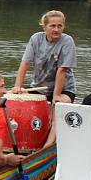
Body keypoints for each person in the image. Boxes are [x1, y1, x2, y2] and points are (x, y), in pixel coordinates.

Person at [13, 10, 77, 145]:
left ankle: (47, 148)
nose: (56, 29)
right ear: (44, 26)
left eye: (60, 26)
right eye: (52, 26)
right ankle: (25, 143)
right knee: (22, 109)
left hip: (63, 88)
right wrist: (17, 86)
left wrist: (56, 96)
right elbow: (25, 63)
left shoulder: (67, 41)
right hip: (39, 86)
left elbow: (62, 70)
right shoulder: (36, 38)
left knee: (58, 110)